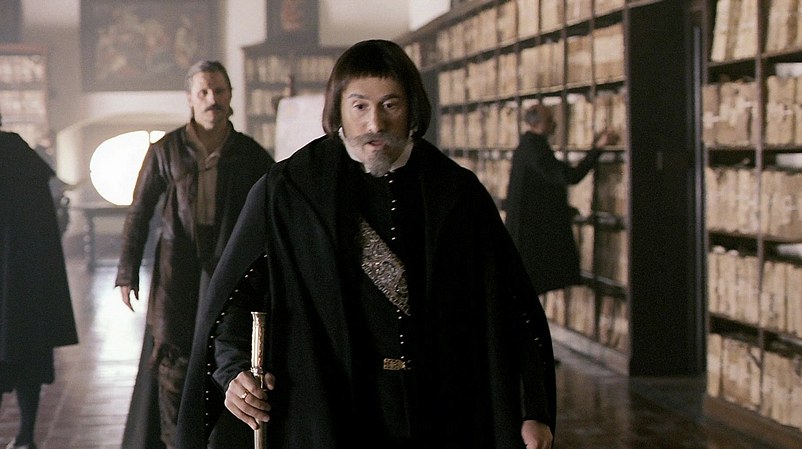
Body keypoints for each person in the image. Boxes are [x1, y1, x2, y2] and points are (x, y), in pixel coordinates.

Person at [177, 39, 557, 449]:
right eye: (359, 106)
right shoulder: (287, 191)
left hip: (445, 410)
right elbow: (235, 297)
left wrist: (532, 409)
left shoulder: (457, 192)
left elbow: (509, 305)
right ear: (338, 110)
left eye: (390, 104)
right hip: (327, 411)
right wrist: (233, 369)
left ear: (412, 108)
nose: (375, 122)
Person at [115, 60, 274, 449]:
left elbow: (270, 213)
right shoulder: (165, 150)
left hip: (228, 267)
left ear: (230, 95)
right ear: (190, 98)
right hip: (177, 269)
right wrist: (127, 271)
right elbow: (139, 211)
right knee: (174, 357)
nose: (212, 99)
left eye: (219, 91)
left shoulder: (250, 154)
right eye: (203, 91)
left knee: (226, 351)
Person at [0, 128, 78, 449]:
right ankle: (26, 436)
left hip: (16, 279)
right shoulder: (23, 157)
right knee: (27, 359)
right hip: (28, 284)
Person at [504, 103, 618, 296]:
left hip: (529, 229)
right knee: (532, 284)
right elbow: (569, 176)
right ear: (536, 124)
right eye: (549, 120)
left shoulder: (529, 146)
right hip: (532, 234)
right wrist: (597, 148)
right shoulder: (534, 149)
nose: (554, 124)